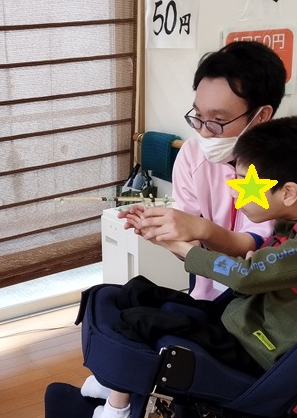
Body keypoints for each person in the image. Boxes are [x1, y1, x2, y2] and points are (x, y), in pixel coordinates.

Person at [89, 117, 297, 418]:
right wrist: (168, 239)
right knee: (134, 291)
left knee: (140, 321)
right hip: (239, 318)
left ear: (288, 192)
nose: (237, 195)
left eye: (247, 186)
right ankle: (110, 379)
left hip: (258, 348)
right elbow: (258, 268)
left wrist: (181, 246)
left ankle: (117, 416)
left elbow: (247, 275)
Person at [119, 40, 287, 302]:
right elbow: (192, 246)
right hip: (206, 295)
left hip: (259, 302)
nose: (204, 132)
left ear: (262, 115)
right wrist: (163, 231)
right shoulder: (192, 154)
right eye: (198, 116)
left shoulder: (282, 165)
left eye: (218, 121)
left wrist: (202, 229)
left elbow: (254, 246)